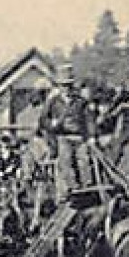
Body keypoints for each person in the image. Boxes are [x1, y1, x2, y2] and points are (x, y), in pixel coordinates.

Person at [38, 65, 95, 195]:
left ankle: (88, 187)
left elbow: (89, 120)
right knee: (65, 159)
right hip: (63, 137)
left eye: (69, 85)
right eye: (63, 85)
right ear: (59, 86)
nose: (66, 89)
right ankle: (73, 187)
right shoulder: (53, 102)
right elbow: (43, 121)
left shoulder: (80, 102)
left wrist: (92, 137)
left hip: (79, 137)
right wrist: (52, 124)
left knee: (84, 159)